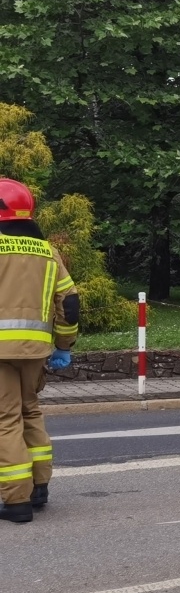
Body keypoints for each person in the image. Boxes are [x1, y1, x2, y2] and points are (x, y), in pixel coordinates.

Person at [0, 179, 77, 523]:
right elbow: (70, 303)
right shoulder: (47, 251)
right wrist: (64, 346)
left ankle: (16, 502)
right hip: (35, 352)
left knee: (5, 420)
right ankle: (38, 488)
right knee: (30, 412)